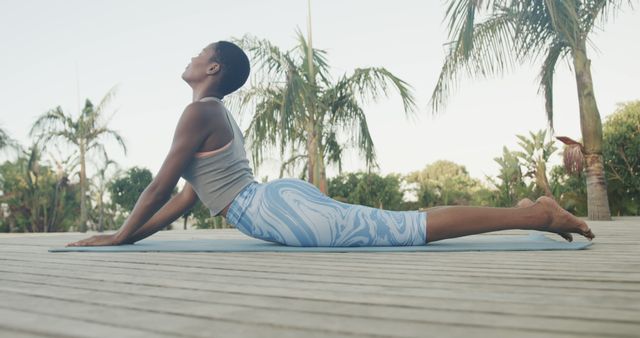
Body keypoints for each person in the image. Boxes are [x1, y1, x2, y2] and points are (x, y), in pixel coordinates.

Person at [66, 41, 595, 248]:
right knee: (402, 226)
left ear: (213, 69)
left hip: (275, 209)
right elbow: (185, 196)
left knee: (408, 229)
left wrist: (117, 238)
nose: (187, 57)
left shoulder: (198, 112)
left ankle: (536, 215)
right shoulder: (210, 113)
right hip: (274, 203)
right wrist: (129, 236)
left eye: (197, 53)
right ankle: (527, 210)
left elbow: (161, 185)